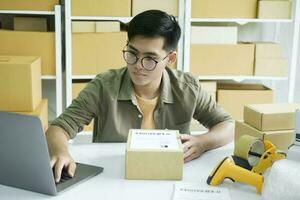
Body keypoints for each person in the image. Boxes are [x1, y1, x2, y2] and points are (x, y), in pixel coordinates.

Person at [46, 10, 234, 183]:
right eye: (132, 53)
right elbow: (58, 128)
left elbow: (227, 125)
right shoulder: (104, 86)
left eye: (150, 59)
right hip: (114, 179)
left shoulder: (188, 88)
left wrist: (202, 143)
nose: (138, 65)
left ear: (170, 58)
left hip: (169, 178)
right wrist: (61, 152)